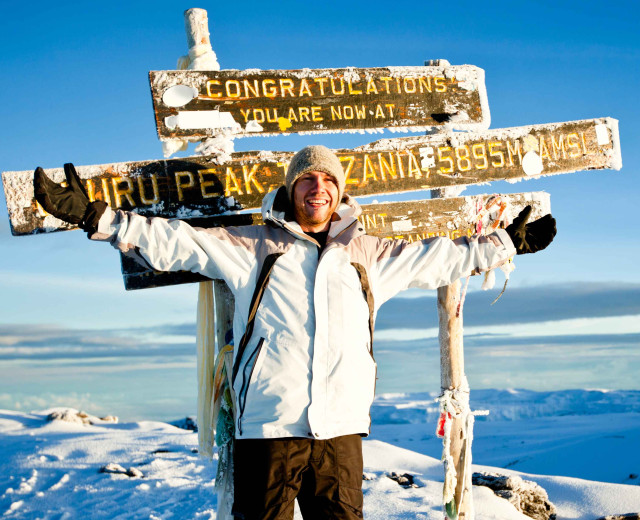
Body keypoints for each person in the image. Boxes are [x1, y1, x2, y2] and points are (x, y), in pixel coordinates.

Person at [34, 145, 556, 520]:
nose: (319, 187)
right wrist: (98, 217)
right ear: (291, 188)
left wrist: (505, 244)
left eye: (329, 180)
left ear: (340, 193)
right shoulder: (254, 246)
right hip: (268, 429)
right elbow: (175, 242)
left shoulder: (366, 254)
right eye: (308, 178)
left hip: (341, 432)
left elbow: (441, 258)